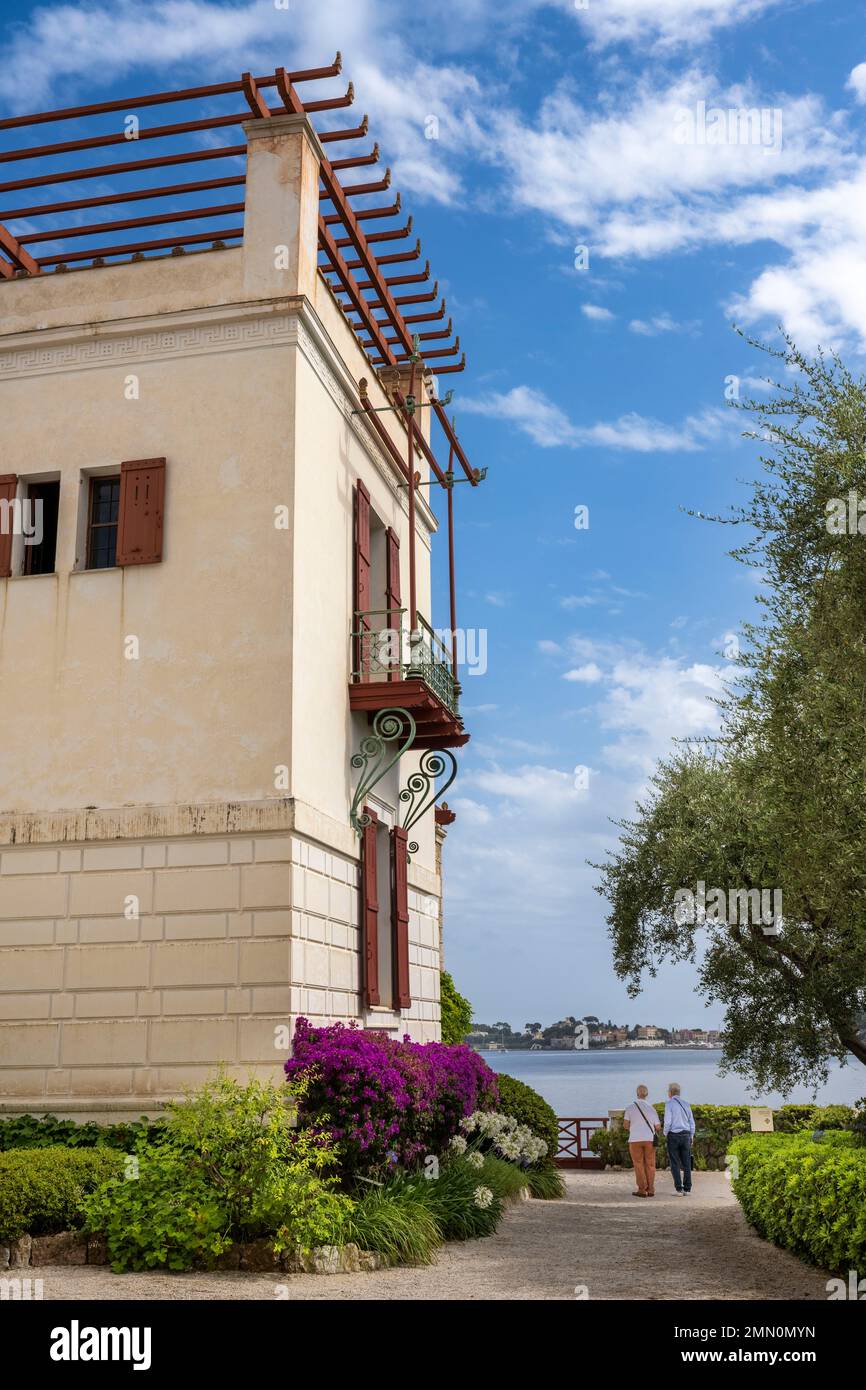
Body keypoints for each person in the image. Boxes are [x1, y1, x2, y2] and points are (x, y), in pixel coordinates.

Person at [623, 1084, 660, 1197]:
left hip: (635, 1139)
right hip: (649, 1140)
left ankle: (642, 1190)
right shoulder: (652, 1108)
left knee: (638, 1164)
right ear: (647, 1094)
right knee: (650, 1164)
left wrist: (634, 1129)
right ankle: (651, 1189)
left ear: (637, 1093)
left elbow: (625, 1125)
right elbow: (658, 1127)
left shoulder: (630, 1107)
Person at [664, 1082, 695, 1194]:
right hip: (686, 1135)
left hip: (673, 1135)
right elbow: (692, 1122)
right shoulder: (686, 1104)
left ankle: (679, 1189)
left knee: (675, 1163)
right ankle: (687, 1188)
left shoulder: (669, 1104)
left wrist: (665, 1133)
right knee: (687, 1163)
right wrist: (691, 1136)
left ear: (670, 1092)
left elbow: (667, 1122)